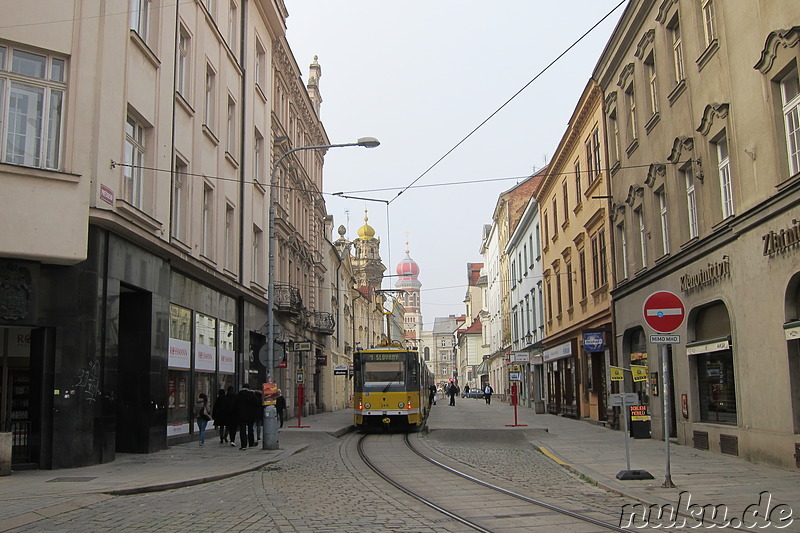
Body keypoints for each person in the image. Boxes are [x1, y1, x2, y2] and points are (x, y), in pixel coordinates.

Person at [235, 384, 256, 449]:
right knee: (250, 429)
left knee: (242, 430)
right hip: (250, 414)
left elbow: (235, 405)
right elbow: (256, 403)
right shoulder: (251, 394)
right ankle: (251, 442)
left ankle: (243, 445)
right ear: (248, 388)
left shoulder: (238, 395)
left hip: (241, 414)